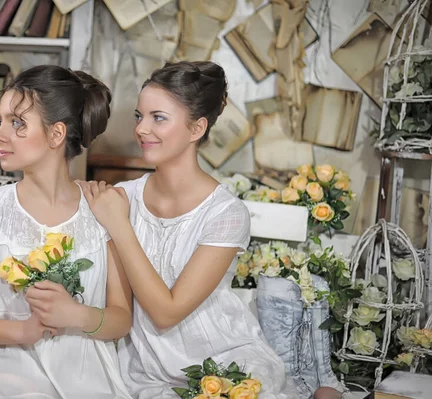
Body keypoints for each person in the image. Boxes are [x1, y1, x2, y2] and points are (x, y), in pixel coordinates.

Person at [79, 61, 299, 399]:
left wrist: (120, 226)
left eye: (159, 118)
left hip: (221, 360)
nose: (142, 129)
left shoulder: (226, 214)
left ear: (196, 129)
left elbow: (167, 313)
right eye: (139, 116)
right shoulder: (123, 197)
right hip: (143, 365)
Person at [0, 65, 133, 399]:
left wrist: (76, 314)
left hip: (90, 384)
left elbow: (121, 319)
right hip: (7, 382)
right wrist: (22, 331)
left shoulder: (102, 211)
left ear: (56, 135)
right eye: (0, 121)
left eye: (17, 123)